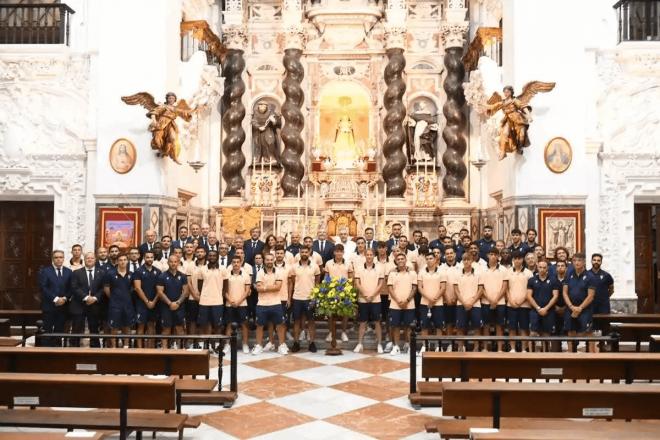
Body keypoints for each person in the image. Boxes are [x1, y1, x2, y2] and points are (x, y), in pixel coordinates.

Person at [253, 254, 287, 355]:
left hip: (276, 303)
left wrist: (264, 287)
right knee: (259, 325)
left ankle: (281, 346)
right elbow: (258, 288)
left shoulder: (278, 272)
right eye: (267, 260)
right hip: (262, 304)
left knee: (280, 325)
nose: (269, 261)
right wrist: (270, 286)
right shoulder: (259, 272)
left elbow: (278, 287)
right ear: (264, 261)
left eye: (271, 260)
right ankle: (259, 346)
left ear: (274, 260)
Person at [353, 248, 385, 353]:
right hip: (363, 299)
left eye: (371, 254)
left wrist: (372, 295)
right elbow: (357, 283)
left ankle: (379, 344)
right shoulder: (359, 268)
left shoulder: (379, 268)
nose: (369, 256)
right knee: (362, 322)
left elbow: (381, 284)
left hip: (376, 299)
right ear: (365, 256)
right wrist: (366, 295)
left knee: (377, 322)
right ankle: (359, 344)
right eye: (367, 254)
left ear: (374, 256)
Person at [563, 253, 596, 351]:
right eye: (574, 261)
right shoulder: (568, 274)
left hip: (585, 309)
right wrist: (571, 306)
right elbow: (564, 292)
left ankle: (591, 355)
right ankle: (571, 354)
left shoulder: (590, 276)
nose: (577, 263)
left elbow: (591, 296)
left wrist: (580, 308)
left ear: (584, 262)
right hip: (570, 308)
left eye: (579, 260)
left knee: (588, 332)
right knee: (570, 331)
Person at [290, 246, 321, 353]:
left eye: (306, 252)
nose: (304, 253)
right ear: (299, 252)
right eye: (302, 252)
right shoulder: (294, 267)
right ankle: (296, 343)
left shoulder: (315, 266)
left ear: (309, 253)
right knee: (296, 321)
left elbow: (317, 282)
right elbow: (293, 281)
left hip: (310, 298)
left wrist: (316, 296)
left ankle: (312, 342)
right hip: (297, 297)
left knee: (311, 321)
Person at [70, 252, 104, 347]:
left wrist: (95, 298)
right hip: (79, 305)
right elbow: (74, 287)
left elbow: (103, 288)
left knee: (94, 329)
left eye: (92, 258)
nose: (89, 260)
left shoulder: (101, 272)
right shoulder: (76, 272)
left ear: (95, 260)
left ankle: (95, 349)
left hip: (95, 305)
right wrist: (86, 297)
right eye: (87, 258)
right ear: (84, 260)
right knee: (76, 329)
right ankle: (73, 349)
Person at [193, 250, 226, 350]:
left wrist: (220, 296)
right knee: (205, 324)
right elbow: (199, 285)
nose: (212, 257)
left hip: (217, 301)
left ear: (217, 257)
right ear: (207, 257)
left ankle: (216, 344)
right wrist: (205, 294)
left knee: (218, 325)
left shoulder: (223, 269)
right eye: (210, 255)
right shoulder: (202, 269)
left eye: (214, 255)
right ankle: (206, 344)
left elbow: (225, 286)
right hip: (204, 301)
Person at [39, 250, 72, 347]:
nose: (58, 259)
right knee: (47, 330)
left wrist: (65, 298)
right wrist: (56, 299)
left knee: (59, 330)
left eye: (61, 257)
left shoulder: (68, 272)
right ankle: (45, 352)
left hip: (63, 306)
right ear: (53, 259)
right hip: (49, 306)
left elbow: (71, 288)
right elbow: (43, 287)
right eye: (56, 257)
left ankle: (56, 351)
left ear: (63, 258)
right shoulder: (45, 271)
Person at [478, 248, 508, 352]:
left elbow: (504, 287)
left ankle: (500, 349)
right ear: (487, 255)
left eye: (495, 254)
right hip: (486, 302)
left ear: (498, 256)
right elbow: (481, 288)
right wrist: (490, 300)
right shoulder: (482, 269)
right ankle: (485, 348)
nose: (493, 256)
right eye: (491, 254)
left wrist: (495, 300)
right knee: (486, 325)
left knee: (499, 326)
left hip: (500, 302)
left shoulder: (503, 269)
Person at [387, 253, 417, 355]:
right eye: (398, 259)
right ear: (396, 261)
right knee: (395, 326)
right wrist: (398, 301)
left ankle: (408, 345)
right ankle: (396, 347)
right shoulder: (392, 274)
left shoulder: (412, 273)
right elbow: (390, 289)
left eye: (402, 259)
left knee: (408, 326)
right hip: (395, 304)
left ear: (405, 260)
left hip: (409, 304)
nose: (400, 260)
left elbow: (414, 288)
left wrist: (407, 300)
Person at [103, 254, 136, 348]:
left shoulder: (131, 274)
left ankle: (126, 346)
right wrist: (114, 298)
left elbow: (133, 288)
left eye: (125, 260)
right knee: (114, 327)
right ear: (117, 261)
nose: (122, 262)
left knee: (127, 326)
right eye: (120, 260)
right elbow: (106, 289)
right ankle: (114, 347)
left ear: (127, 261)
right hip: (115, 305)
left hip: (128, 304)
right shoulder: (110, 274)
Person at [156, 255, 189, 349]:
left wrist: (178, 303)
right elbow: (160, 292)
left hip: (179, 306)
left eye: (175, 262)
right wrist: (170, 303)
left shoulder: (182, 276)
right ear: (168, 263)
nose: (173, 263)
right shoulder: (162, 276)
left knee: (180, 329)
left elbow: (186, 291)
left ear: (178, 263)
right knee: (166, 329)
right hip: (166, 306)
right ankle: (164, 350)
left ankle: (181, 351)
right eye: (171, 261)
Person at [527, 259, 559, 351]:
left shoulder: (553, 280)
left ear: (547, 268)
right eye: (540, 267)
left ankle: (546, 354)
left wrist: (546, 308)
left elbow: (555, 296)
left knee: (546, 334)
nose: (542, 269)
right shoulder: (532, 280)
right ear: (537, 267)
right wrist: (538, 308)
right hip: (535, 311)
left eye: (544, 267)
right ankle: (531, 355)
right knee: (533, 333)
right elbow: (528, 296)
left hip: (549, 311)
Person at [417, 252, 446, 355]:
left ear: (435, 260)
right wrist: (429, 299)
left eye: (431, 258)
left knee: (439, 326)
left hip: (438, 303)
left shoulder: (441, 272)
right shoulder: (421, 272)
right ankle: (425, 346)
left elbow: (443, 287)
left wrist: (434, 299)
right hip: (424, 303)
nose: (429, 260)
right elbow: (420, 287)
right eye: (427, 258)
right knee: (424, 326)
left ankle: (439, 346)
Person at [453, 252, 483, 351]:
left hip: (475, 304)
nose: (466, 261)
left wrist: (472, 302)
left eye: (468, 259)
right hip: (461, 304)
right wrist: (464, 302)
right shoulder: (457, 274)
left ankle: (476, 348)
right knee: (460, 327)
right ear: (462, 261)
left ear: (472, 261)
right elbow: (456, 290)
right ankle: (461, 347)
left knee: (476, 327)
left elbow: (480, 290)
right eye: (464, 260)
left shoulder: (478, 274)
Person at [132, 250, 161, 348]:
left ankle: (151, 349)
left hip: (154, 303)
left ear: (153, 258)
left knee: (151, 325)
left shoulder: (158, 271)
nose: (149, 259)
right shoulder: (138, 271)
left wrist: (154, 301)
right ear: (144, 258)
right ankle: (140, 349)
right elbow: (137, 288)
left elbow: (160, 289)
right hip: (141, 303)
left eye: (151, 257)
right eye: (147, 257)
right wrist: (147, 301)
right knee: (141, 326)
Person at [507, 251, 533, 352]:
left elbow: (530, 290)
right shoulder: (508, 272)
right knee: (512, 328)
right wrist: (511, 301)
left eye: (519, 258)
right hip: (511, 304)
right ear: (513, 260)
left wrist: (522, 301)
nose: (517, 261)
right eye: (515, 259)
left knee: (524, 328)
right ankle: (512, 348)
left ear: (523, 260)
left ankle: (523, 349)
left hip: (525, 305)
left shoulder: (528, 273)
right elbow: (506, 289)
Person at [224, 256, 252, 354]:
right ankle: (227, 344)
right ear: (231, 263)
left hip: (242, 304)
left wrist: (239, 301)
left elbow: (247, 290)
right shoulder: (227, 275)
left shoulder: (246, 275)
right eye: (234, 262)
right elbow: (224, 291)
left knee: (244, 324)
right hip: (229, 304)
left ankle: (245, 344)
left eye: (237, 262)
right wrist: (231, 301)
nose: (236, 264)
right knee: (229, 325)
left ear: (241, 263)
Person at [440, 245, 462, 348]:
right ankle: (449, 344)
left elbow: (463, 285)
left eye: (451, 253)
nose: (449, 255)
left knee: (459, 324)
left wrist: (457, 298)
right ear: (445, 256)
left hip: (459, 300)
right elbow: (440, 286)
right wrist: (447, 298)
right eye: (447, 253)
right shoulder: (441, 268)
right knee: (448, 323)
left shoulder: (461, 267)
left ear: (455, 254)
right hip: (446, 300)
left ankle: (458, 344)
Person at [589, 253, 614, 318]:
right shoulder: (586, 274)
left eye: (598, 260)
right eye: (594, 260)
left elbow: (611, 289)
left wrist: (604, 297)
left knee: (604, 324)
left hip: (603, 305)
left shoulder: (606, 275)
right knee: (591, 326)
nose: (596, 262)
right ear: (591, 261)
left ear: (601, 262)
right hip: (590, 304)